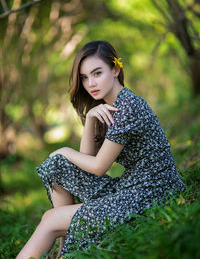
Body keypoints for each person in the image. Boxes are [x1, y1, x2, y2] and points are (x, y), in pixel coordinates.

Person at [16, 40, 185, 259]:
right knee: (55, 166)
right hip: (130, 186)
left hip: (153, 192)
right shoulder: (106, 108)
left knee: (50, 217)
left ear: (115, 69)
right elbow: (86, 162)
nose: (90, 83)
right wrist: (90, 121)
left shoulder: (128, 107)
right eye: (84, 78)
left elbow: (97, 168)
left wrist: (64, 150)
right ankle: (64, 243)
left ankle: (62, 243)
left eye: (97, 73)